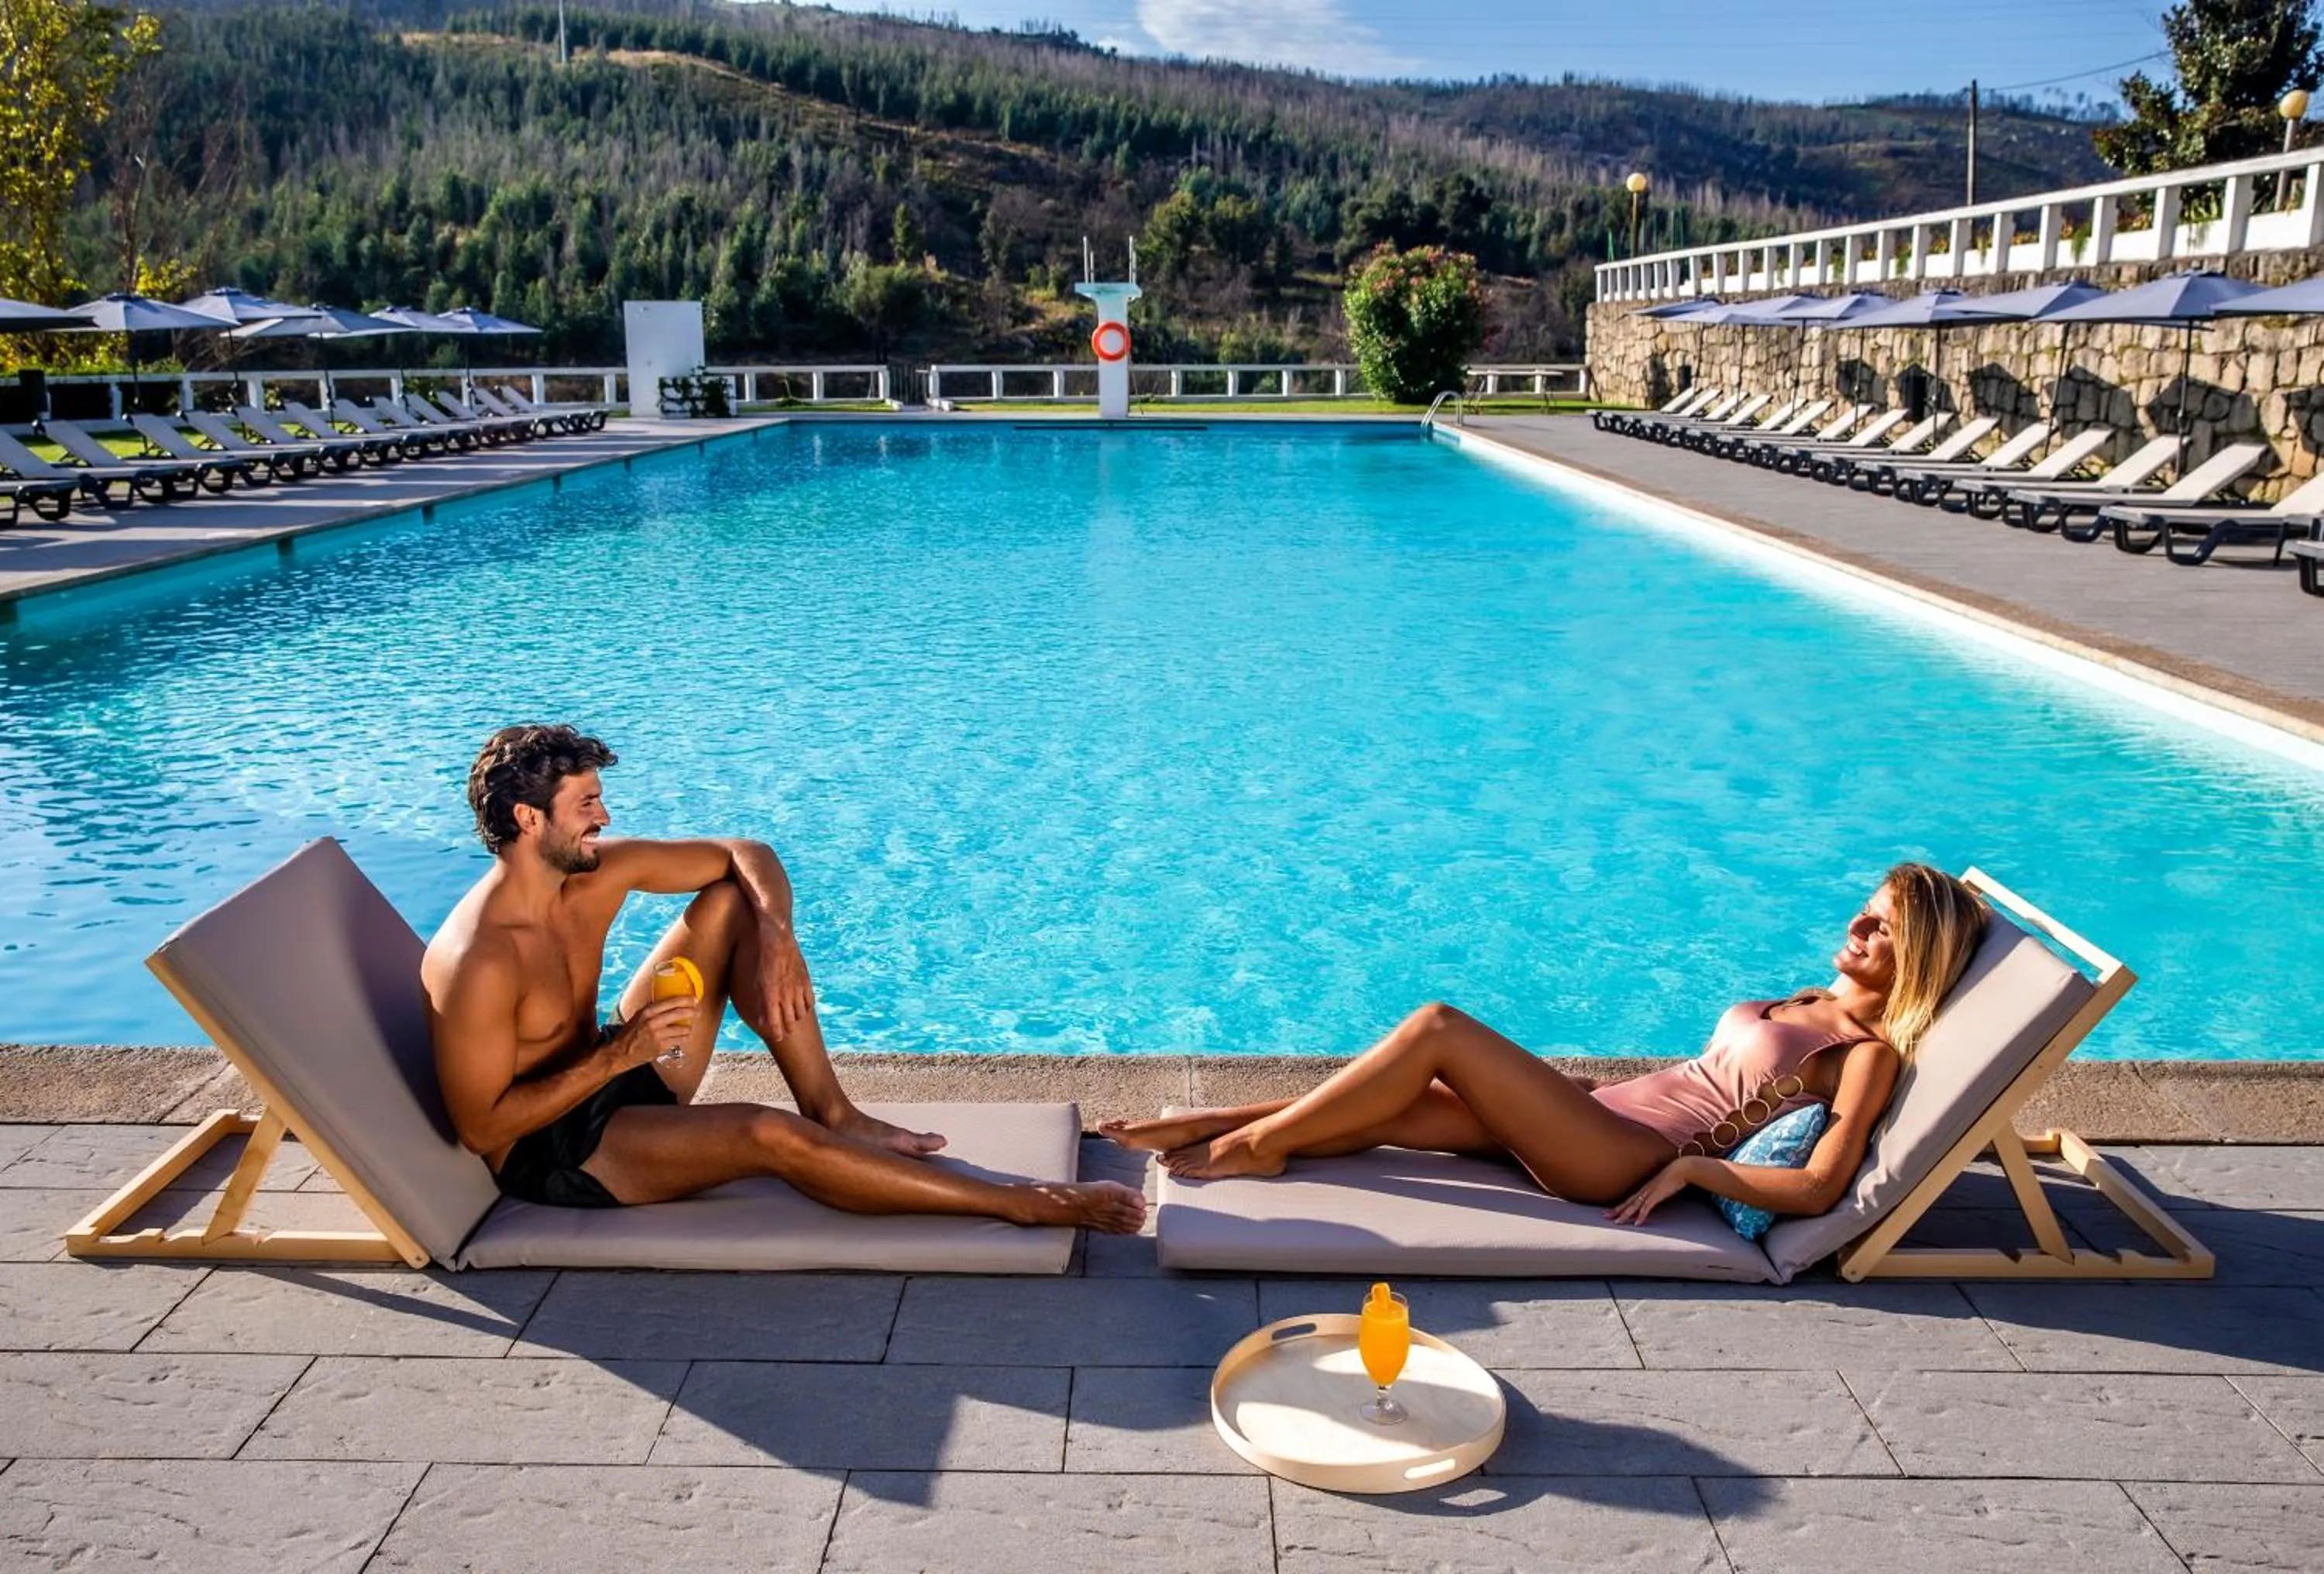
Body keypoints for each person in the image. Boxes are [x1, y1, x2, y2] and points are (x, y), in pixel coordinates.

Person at [422, 723, 1143, 1232]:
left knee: (734, 899)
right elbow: (483, 1126)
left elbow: (745, 851)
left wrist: (777, 936)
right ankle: (1013, 1205)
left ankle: (835, 1112)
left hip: (615, 1069)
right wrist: (622, 1053)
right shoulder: (480, 957)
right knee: (766, 1136)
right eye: (586, 805)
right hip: (554, 1146)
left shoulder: (595, 874)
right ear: (527, 818)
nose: (604, 818)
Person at [1104, 864, 1986, 1226]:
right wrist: (1594, 1089)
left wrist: (1694, 1172)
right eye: (1866, 907)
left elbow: (1823, 1183)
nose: (1859, 923)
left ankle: (1255, 1144)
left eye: (1884, 926)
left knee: (1439, 1026)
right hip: (1604, 1115)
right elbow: (1712, 1079)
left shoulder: (1861, 1051)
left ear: (1919, 958)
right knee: (1404, 1106)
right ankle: (1215, 1120)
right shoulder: (1806, 997)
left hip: (1624, 1159)